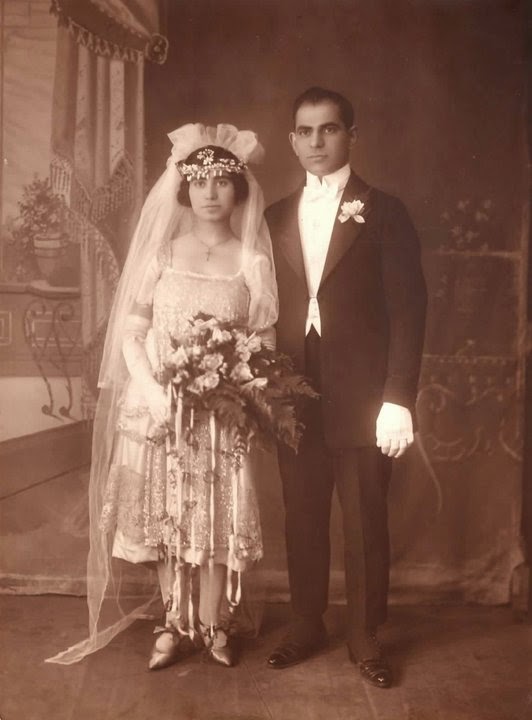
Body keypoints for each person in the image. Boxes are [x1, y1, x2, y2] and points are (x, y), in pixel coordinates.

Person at [46, 124, 278, 669]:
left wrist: (245, 388)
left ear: (238, 190)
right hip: (160, 409)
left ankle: (215, 624)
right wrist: (152, 391)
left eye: (222, 181)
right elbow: (131, 333)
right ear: (184, 189)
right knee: (164, 515)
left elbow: (264, 338)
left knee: (216, 518)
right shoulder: (162, 254)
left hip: (222, 414)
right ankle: (174, 623)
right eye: (199, 182)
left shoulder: (252, 261)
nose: (210, 193)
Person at [264, 87, 427, 688]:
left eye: (329, 130)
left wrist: (398, 397)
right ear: (292, 141)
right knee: (302, 513)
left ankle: (364, 633)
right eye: (305, 132)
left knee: (363, 519)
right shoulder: (273, 216)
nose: (316, 142)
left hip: (362, 394)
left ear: (351, 136)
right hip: (294, 390)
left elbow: (409, 310)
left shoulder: (384, 211)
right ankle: (306, 622)